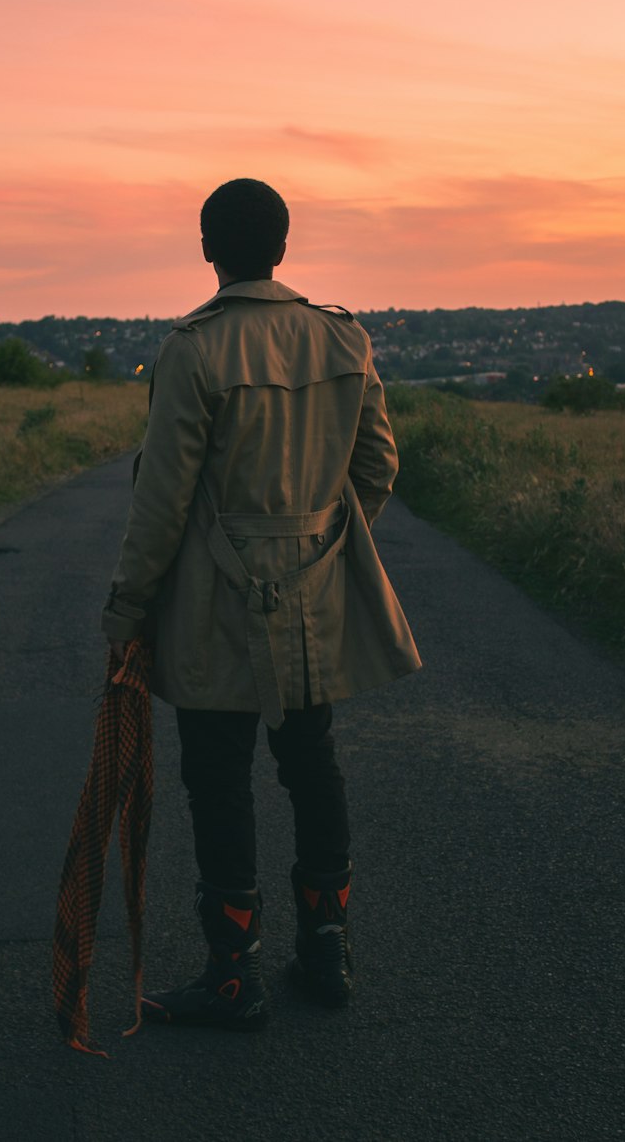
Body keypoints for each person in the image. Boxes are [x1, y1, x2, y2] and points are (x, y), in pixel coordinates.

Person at [101, 178, 421, 1030]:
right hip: (315, 605)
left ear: (208, 248)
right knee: (312, 767)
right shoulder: (344, 338)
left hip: (214, 605)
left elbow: (161, 503)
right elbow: (379, 470)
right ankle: (327, 949)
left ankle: (232, 972)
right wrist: (320, 546)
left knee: (218, 777)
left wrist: (127, 612)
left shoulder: (192, 350)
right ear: (282, 247)